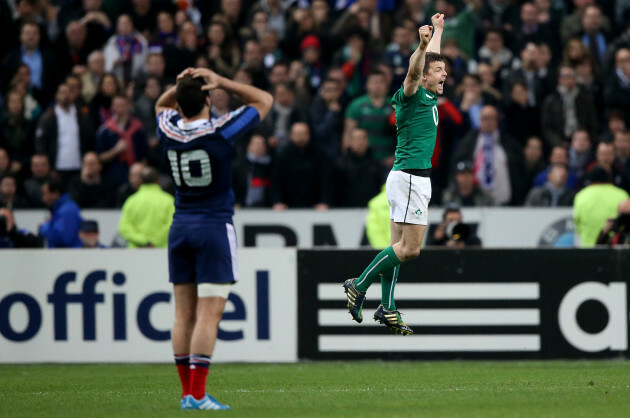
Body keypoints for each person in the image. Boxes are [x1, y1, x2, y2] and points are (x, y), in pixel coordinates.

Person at [155, 67, 272, 410]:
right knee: (209, 314)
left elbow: (159, 106)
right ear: (208, 98)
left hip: (180, 226)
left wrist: (180, 87)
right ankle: (198, 394)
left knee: (183, 315)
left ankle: (185, 394)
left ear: (179, 104)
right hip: (213, 226)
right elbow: (264, 98)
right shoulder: (219, 130)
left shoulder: (168, 128)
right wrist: (221, 80)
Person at [343, 14, 445, 336]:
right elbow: (417, 68)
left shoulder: (429, 91)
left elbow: (429, 63)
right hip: (411, 178)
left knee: (396, 246)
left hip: (407, 176)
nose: (445, 75)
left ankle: (387, 306)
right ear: (425, 77)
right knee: (411, 249)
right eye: (440, 72)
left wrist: (438, 32)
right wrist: (421, 45)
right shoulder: (412, 94)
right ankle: (358, 284)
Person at [118, 166, 173, 248]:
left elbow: (124, 228)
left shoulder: (131, 201)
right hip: (161, 251)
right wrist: (154, 241)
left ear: (141, 181)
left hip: (136, 251)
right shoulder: (169, 200)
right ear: (158, 181)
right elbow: (172, 225)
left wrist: (143, 241)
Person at [574, 167, 629, 247]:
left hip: (587, 248)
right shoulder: (621, 194)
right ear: (608, 179)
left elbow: (577, 222)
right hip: (615, 249)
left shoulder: (581, 195)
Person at [39, 178, 83, 248]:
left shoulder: (68, 210)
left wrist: (45, 228)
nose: (44, 199)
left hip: (68, 256)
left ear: (56, 194)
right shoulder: (61, 209)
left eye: (45, 193)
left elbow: (65, 239)